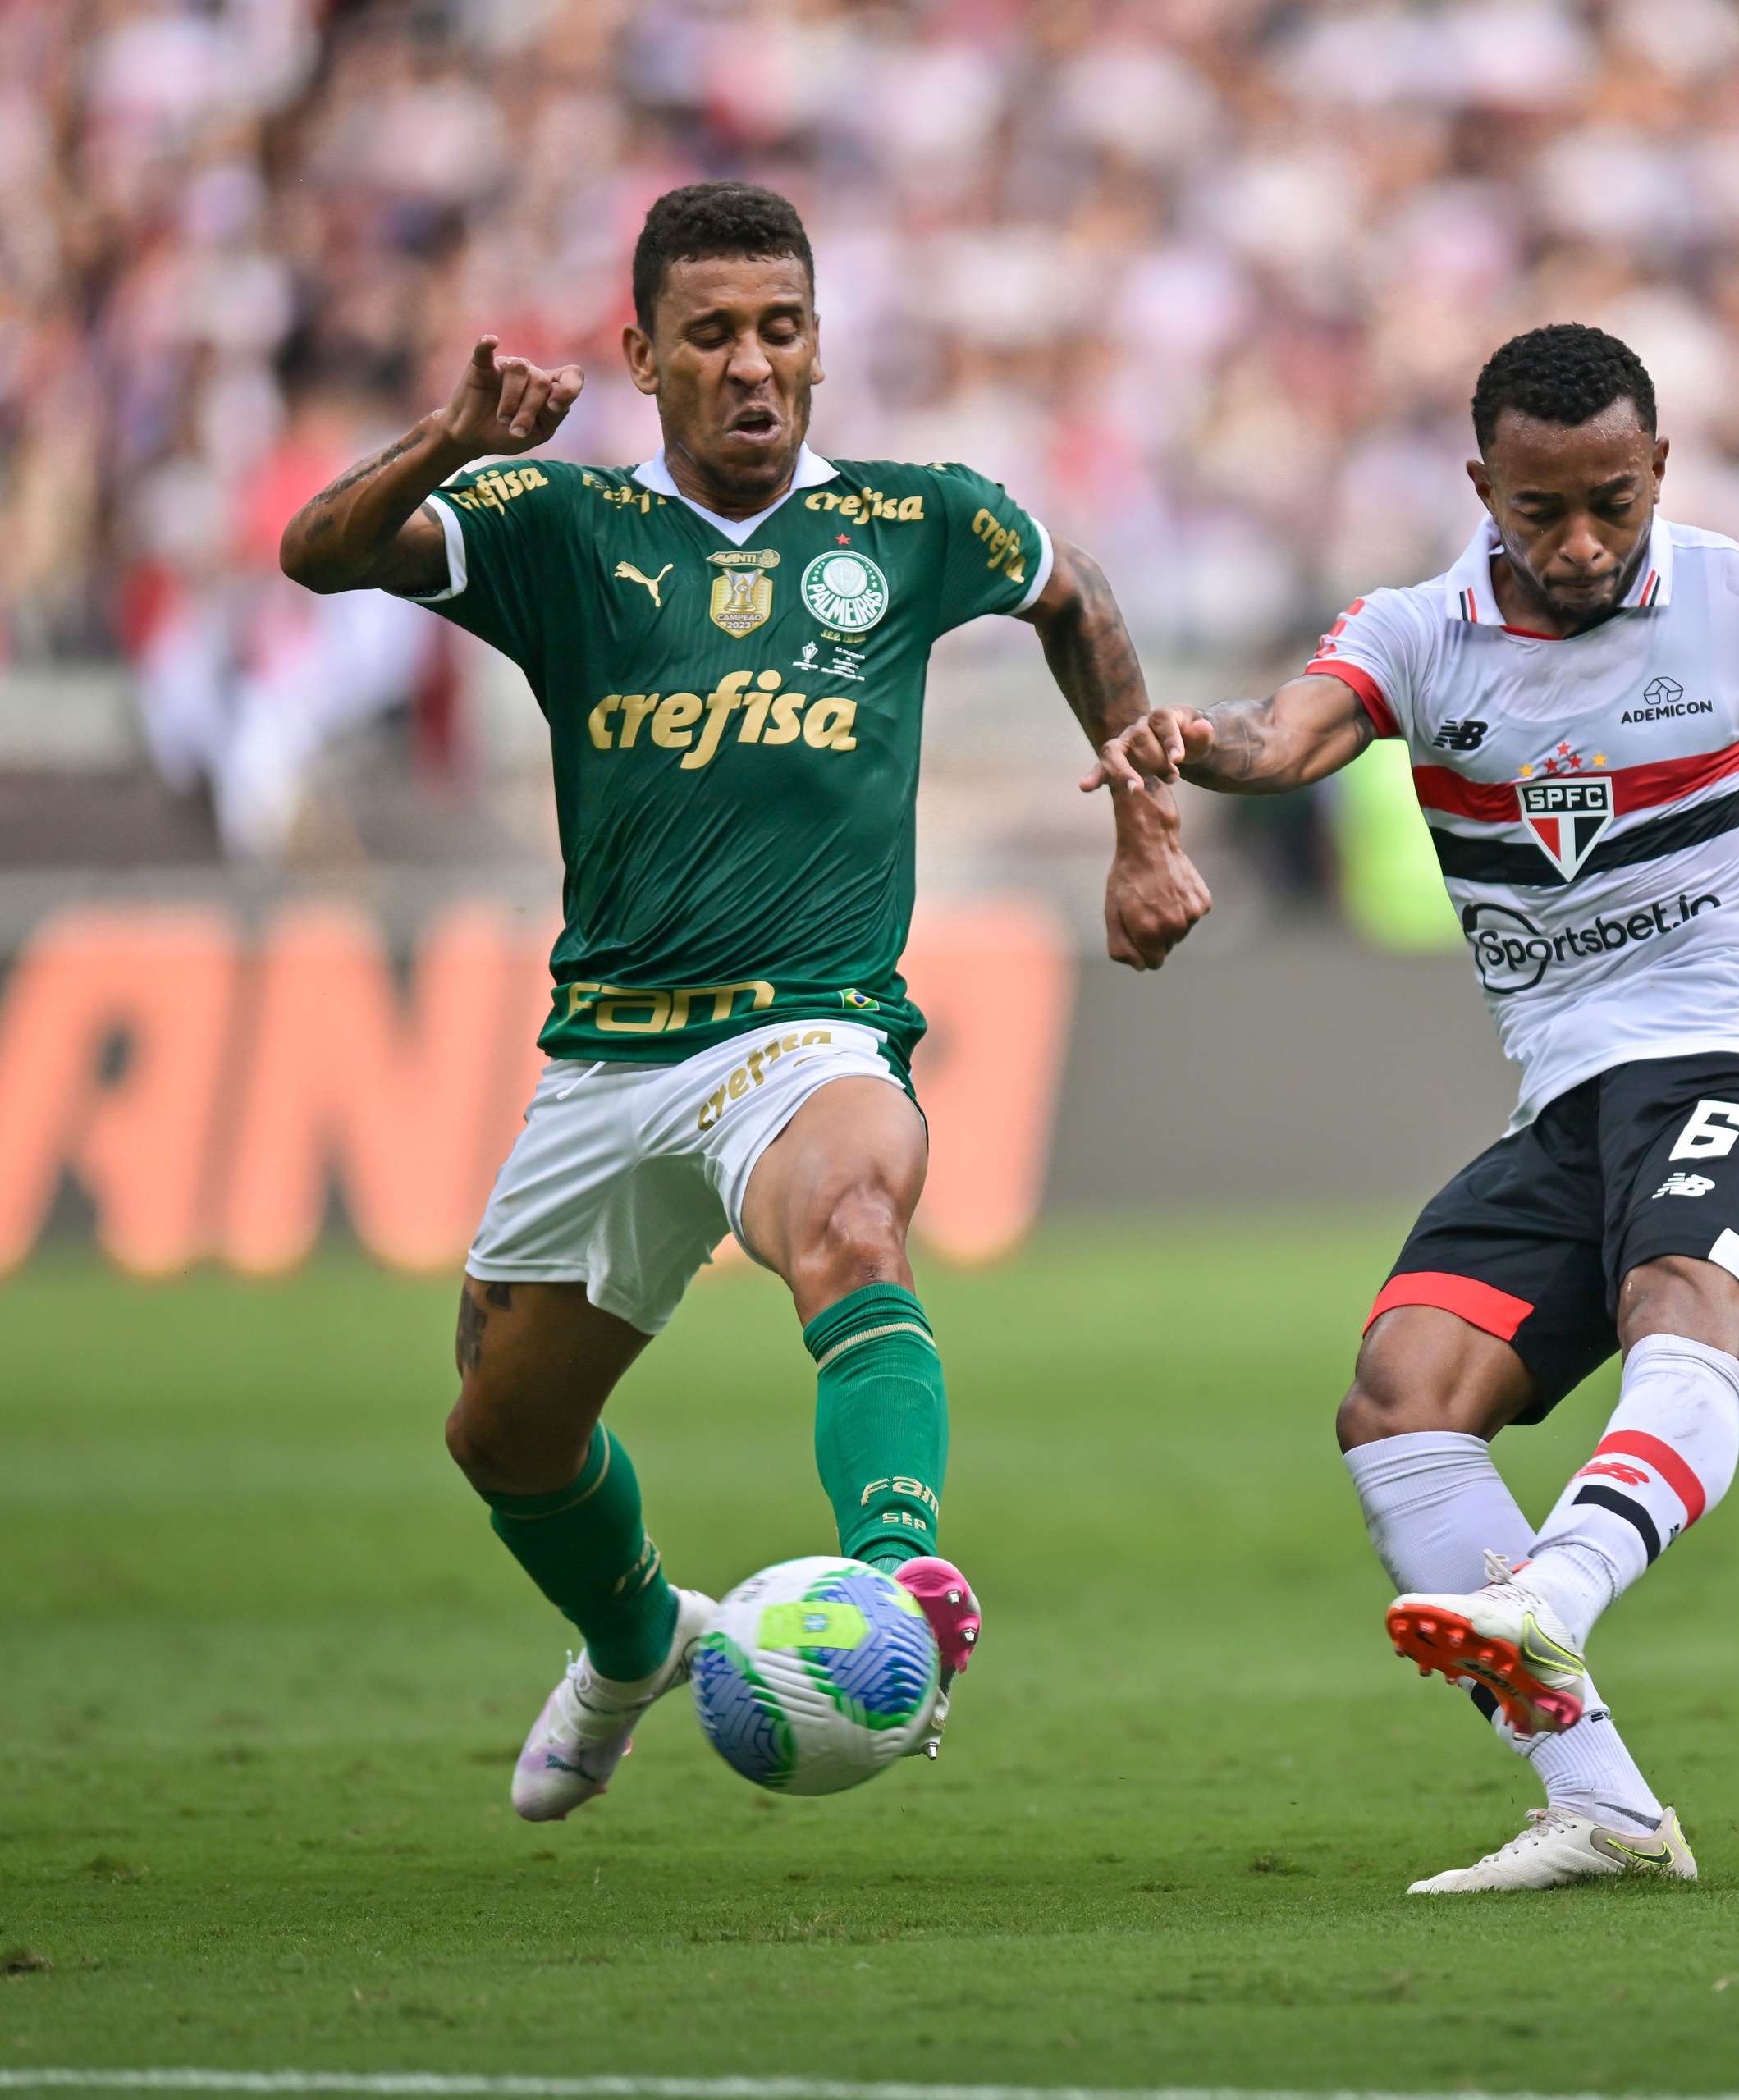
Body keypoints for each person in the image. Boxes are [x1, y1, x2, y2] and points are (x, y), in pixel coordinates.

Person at [1086, 323, 1739, 1894]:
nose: (1578, 543)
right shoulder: (1421, 635)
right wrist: (1190, 744)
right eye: (1540, 510)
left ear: (1660, 471)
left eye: (1612, 504)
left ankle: (1555, 1583)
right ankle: (1610, 1809)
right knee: (1400, 1395)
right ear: (1482, 484)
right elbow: (1287, 733)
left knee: (1678, 1303)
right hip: (1570, 1097)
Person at [277, 181, 1210, 1822]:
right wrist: (447, 436)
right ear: (642, 352)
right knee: (503, 1434)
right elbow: (319, 551)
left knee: (854, 1215)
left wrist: (1144, 826)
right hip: (609, 1051)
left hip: (812, 1026)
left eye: (783, 328)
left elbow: (1080, 600)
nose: (754, 363)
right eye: (712, 333)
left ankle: (901, 1576)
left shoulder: (919, 522)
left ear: (821, 344)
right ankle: (635, 1642)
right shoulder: (560, 527)